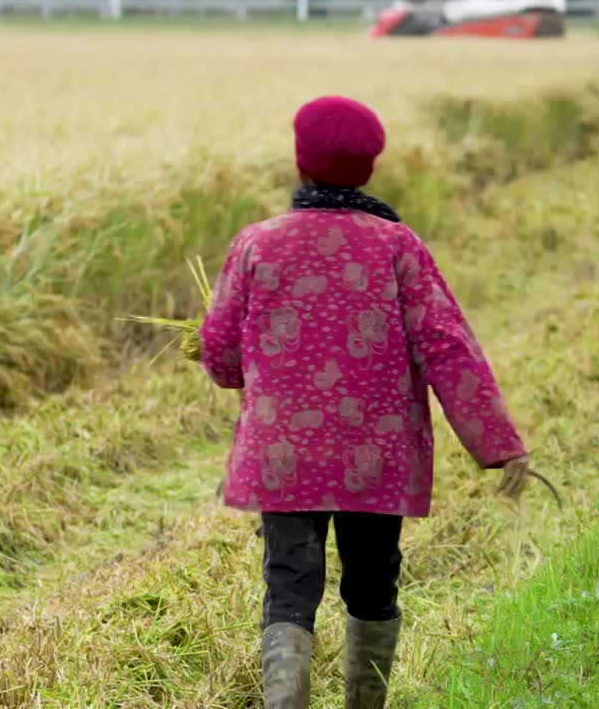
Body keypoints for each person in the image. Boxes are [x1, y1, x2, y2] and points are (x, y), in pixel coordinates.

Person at [194, 96, 531, 708]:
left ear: (300, 164)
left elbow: (219, 356)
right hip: (376, 457)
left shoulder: (256, 245)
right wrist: (497, 444)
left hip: (286, 452)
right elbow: (449, 348)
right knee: (373, 586)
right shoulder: (398, 248)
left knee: (290, 588)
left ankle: (286, 694)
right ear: (369, 169)